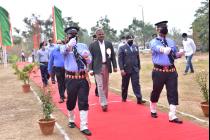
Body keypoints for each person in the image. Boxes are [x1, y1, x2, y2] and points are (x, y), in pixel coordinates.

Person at [149, 21, 184, 124]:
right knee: (156, 91)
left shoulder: (171, 41)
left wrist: (180, 54)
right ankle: (153, 108)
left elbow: (173, 55)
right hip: (159, 71)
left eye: (165, 27)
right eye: (161, 27)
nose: (164, 29)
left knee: (173, 92)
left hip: (171, 71)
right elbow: (157, 48)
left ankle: (172, 115)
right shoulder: (154, 41)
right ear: (157, 29)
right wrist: (163, 49)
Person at [60, 26, 92, 136]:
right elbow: (62, 52)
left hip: (82, 78)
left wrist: (87, 57)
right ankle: (71, 119)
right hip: (71, 78)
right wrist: (69, 45)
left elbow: (89, 60)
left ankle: (84, 125)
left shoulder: (83, 46)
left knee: (83, 101)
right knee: (71, 101)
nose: (73, 36)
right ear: (67, 36)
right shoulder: (63, 47)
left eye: (75, 35)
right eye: (71, 35)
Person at [89, 28, 117, 112]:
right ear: (96, 36)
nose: (101, 35)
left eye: (102, 34)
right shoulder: (92, 45)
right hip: (97, 67)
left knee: (105, 85)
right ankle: (103, 103)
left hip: (106, 66)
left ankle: (105, 100)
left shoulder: (109, 44)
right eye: (99, 34)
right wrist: (90, 69)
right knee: (100, 86)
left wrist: (115, 66)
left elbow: (112, 56)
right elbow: (90, 58)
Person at [118, 34, 146, 104]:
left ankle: (139, 98)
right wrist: (121, 69)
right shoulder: (122, 48)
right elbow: (120, 59)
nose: (131, 40)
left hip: (135, 69)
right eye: (129, 39)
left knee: (136, 84)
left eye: (132, 39)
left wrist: (139, 66)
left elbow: (137, 57)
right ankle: (124, 97)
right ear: (126, 40)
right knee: (125, 84)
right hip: (126, 69)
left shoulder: (135, 47)